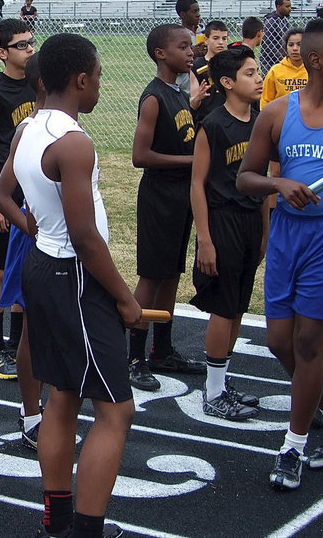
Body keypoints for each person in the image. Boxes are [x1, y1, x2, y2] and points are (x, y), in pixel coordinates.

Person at [13, 33, 139, 538]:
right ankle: (85, 530)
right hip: (74, 279)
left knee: (62, 396)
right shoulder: (73, 142)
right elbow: (86, 238)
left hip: (43, 268)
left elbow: (3, 196)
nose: (100, 85)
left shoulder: (29, 127)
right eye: (100, 76)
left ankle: (57, 521)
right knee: (115, 411)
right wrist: (126, 300)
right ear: (81, 79)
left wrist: (38, 229)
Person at [236, 15, 323, 490]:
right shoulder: (277, 112)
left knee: (309, 345)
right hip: (287, 235)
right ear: (319, 61)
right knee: (282, 342)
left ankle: (294, 446)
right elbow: (245, 178)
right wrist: (278, 182)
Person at [189, 46, 268, 421]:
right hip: (222, 221)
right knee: (223, 306)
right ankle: (213, 391)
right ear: (227, 82)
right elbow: (198, 185)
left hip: (251, 220)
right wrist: (204, 239)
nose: (259, 78)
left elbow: (264, 182)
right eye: (250, 74)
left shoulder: (262, 121)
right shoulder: (215, 124)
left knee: (237, 304)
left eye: (258, 72)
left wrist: (265, 229)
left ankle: (222, 381)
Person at [128, 24, 206, 392]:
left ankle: (163, 349)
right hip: (159, 197)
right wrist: (189, 162)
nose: (191, 52)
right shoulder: (154, 96)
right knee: (151, 276)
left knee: (172, 274)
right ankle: (133, 357)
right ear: (161, 53)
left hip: (180, 198)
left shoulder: (179, 93)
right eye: (183, 46)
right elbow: (139, 156)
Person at [0, 19, 36, 380]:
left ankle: (17, 343)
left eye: (32, 43)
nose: (30, 49)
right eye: (22, 45)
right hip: (3, 192)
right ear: (2, 53)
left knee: (25, 269)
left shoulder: (38, 86)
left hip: (32, 192)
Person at [0, 52, 46, 449]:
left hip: (64, 244)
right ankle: (31, 415)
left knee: (51, 329)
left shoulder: (70, 126)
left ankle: (47, 412)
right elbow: (2, 194)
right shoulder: (29, 128)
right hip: (41, 241)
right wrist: (30, 226)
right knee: (34, 325)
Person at [192, 20, 230, 126]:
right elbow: (193, 104)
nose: (221, 42)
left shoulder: (232, 64)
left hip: (228, 119)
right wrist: (198, 97)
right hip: (206, 120)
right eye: (216, 38)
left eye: (224, 38)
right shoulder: (197, 66)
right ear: (206, 40)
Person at [260, 28, 307, 109]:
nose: (295, 48)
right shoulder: (276, 71)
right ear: (286, 47)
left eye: (299, 44)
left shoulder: (313, 70)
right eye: (291, 45)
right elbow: (265, 100)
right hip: (281, 118)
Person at [174, 0, 205, 95]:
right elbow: (172, 62)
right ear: (183, 14)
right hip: (185, 87)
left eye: (198, 11)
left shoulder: (205, 32)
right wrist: (193, 53)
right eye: (194, 11)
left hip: (204, 85)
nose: (198, 15)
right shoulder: (176, 35)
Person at [259, 0, 292, 74]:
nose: (289, 9)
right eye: (287, 6)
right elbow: (267, 44)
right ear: (278, 7)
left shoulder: (284, 21)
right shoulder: (271, 21)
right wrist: (280, 57)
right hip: (269, 62)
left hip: (281, 60)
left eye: (290, 6)